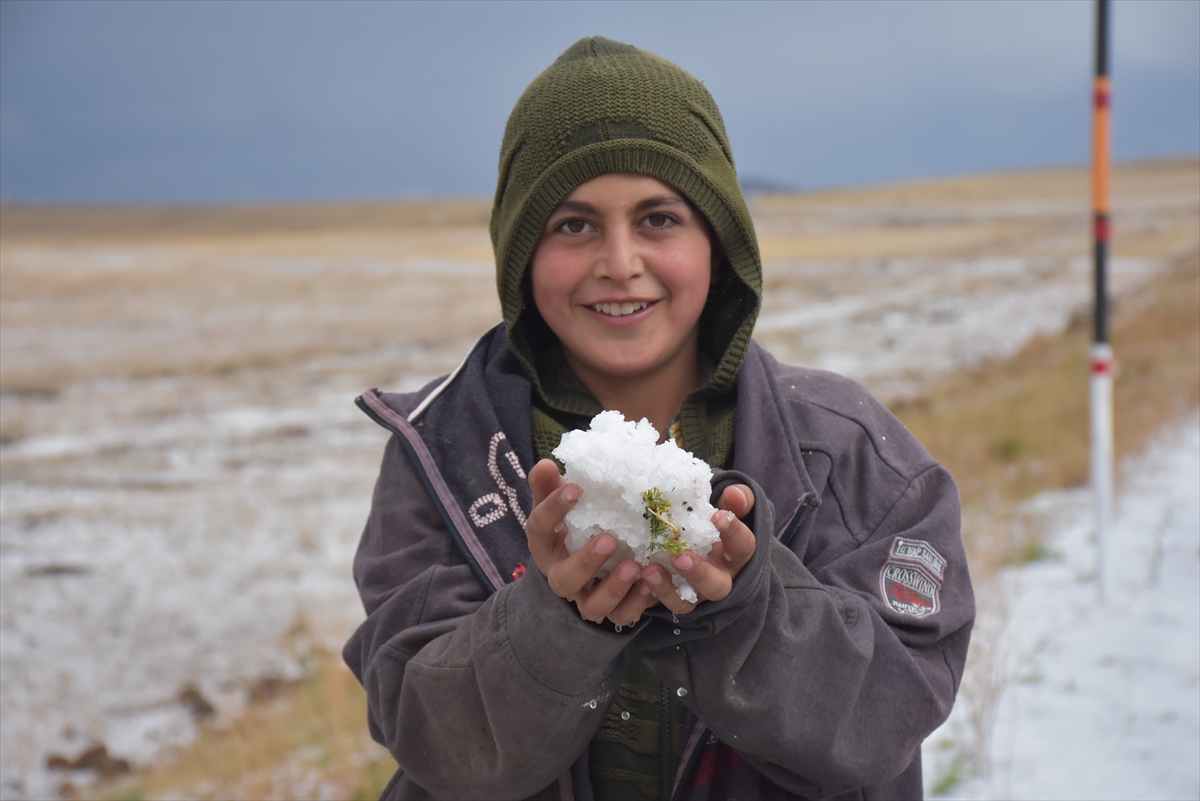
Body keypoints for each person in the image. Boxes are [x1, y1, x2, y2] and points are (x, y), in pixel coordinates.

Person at [344, 36, 974, 801]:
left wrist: (748, 608)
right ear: (519, 255)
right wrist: (551, 621)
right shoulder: (443, 454)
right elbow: (434, 739)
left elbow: (887, 716)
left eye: (658, 218)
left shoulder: (848, 452)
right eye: (573, 225)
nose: (619, 260)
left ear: (719, 241)